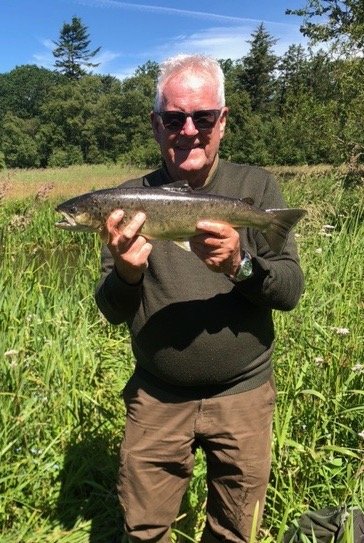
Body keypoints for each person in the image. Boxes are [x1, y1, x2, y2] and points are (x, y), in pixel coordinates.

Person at [95, 54, 304, 543]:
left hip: (243, 395)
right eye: (174, 118)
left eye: (203, 117)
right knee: (143, 530)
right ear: (156, 124)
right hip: (157, 395)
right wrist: (126, 274)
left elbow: (290, 291)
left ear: (223, 121)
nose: (188, 130)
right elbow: (110, 310)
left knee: (235, 531)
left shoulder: (256, 188)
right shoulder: (128, 201)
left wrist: (240, 266)